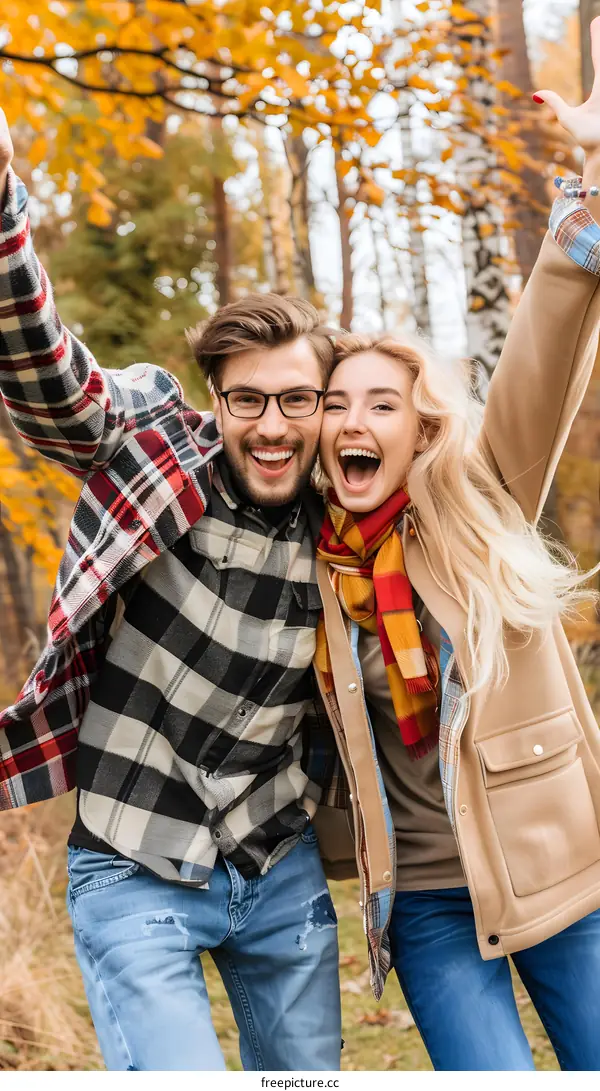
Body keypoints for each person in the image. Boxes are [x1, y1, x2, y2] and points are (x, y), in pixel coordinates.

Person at [0, 108, 345, 1071]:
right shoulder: (158, 451)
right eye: (247, 400)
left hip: (276, 862)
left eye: (296, 400)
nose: (271, 426)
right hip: (134, 852)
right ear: (216, 400)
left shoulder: (346, 511)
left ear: (324, 406)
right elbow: (49, 375)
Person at [311, 24, 600, 1072]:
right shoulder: (306, 565)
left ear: (418, 426)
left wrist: (593, 183)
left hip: (562, 873)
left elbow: (544, 347)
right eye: (336, 403)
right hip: (426, 900)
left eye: (382, 401)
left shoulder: (478, 503)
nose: (357, 418)